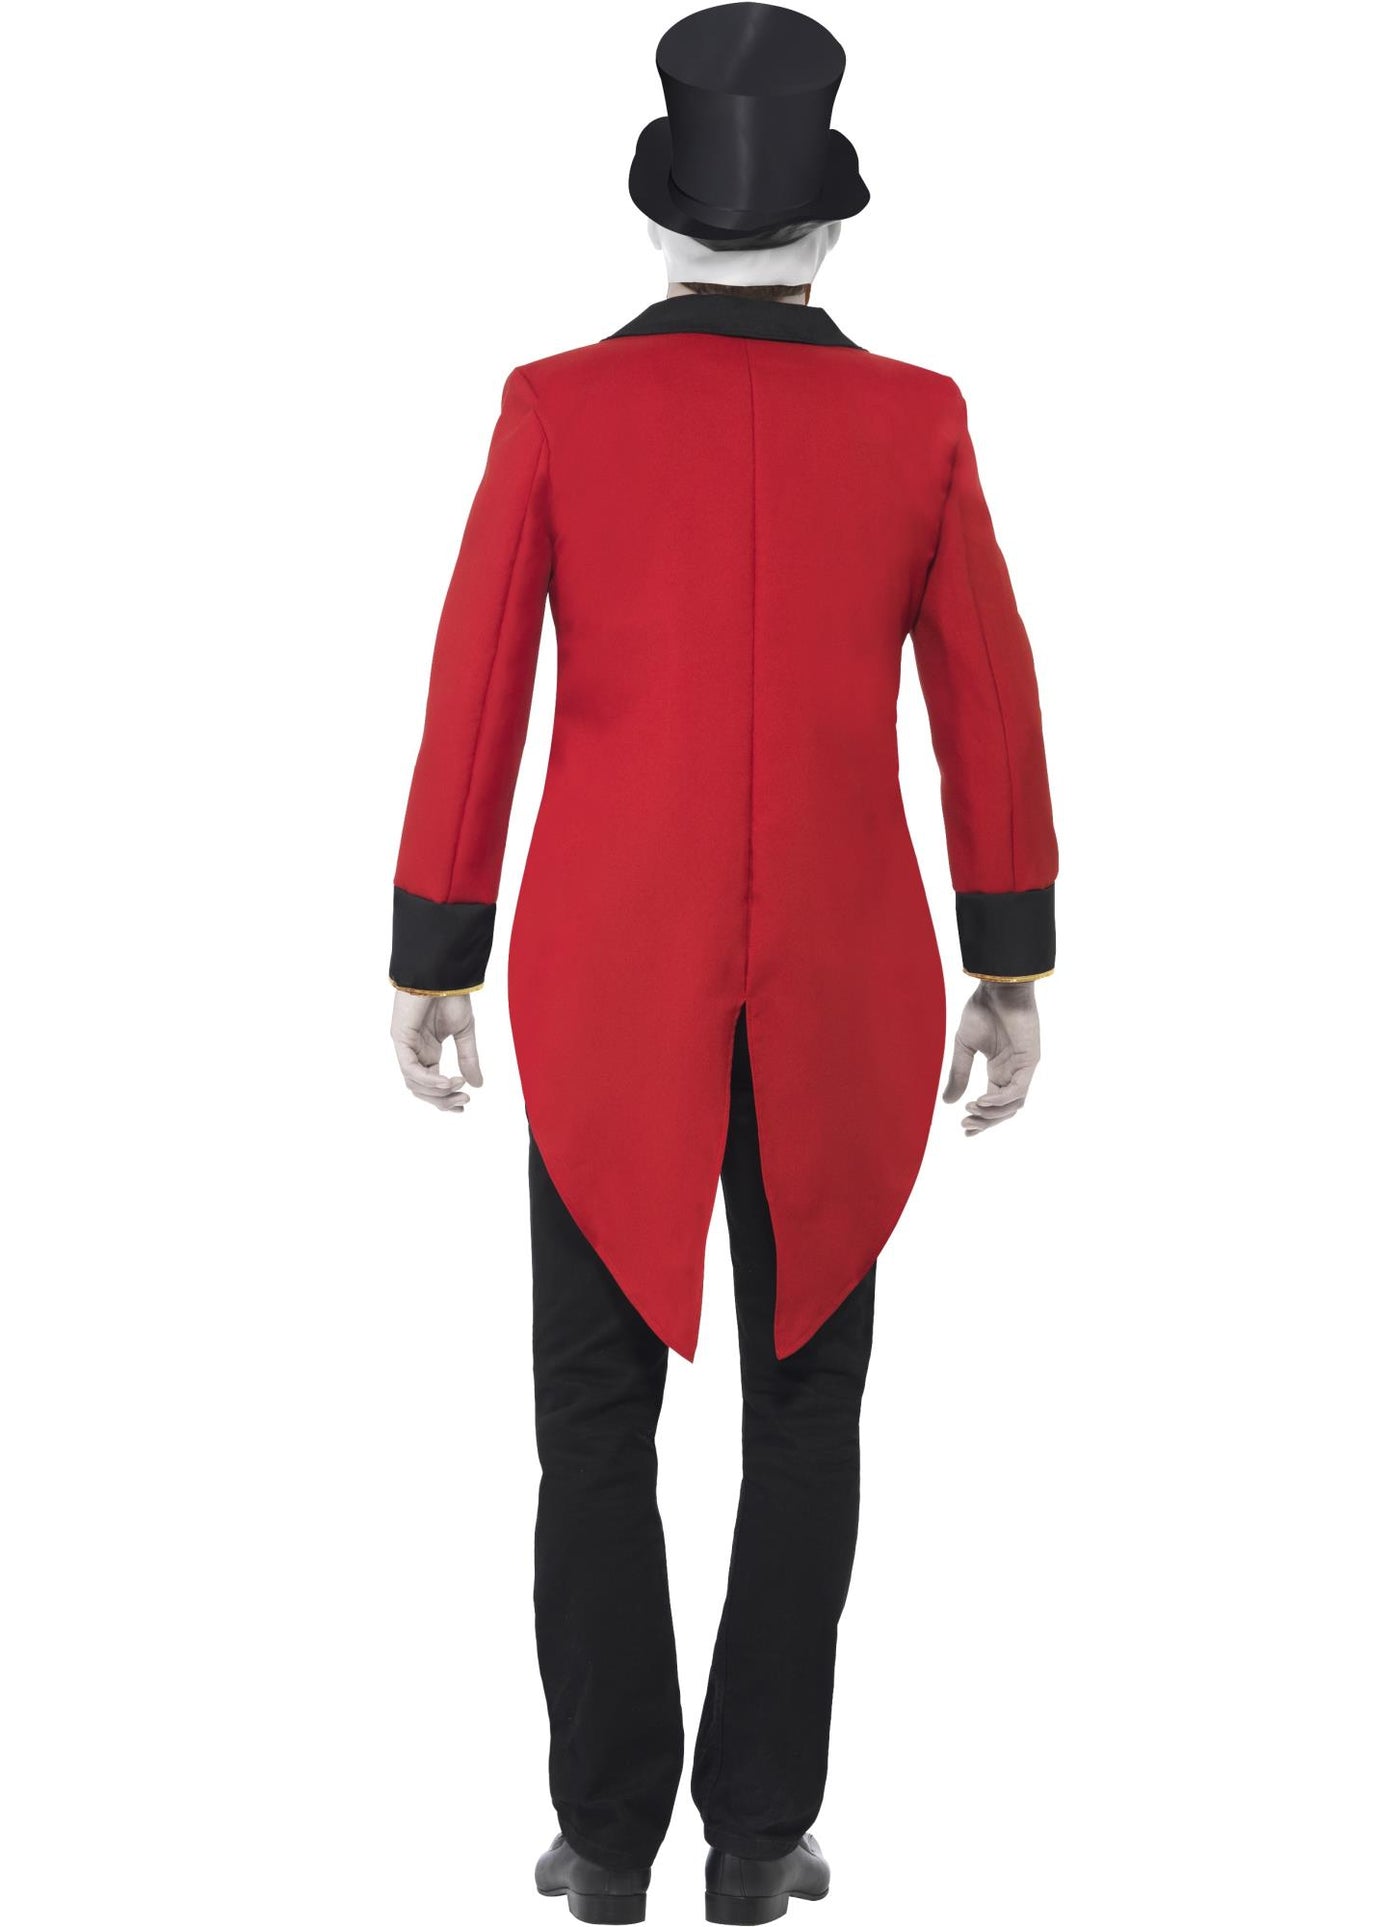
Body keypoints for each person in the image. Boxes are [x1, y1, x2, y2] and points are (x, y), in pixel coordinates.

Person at [387, 6, 1058, 1920]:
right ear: (827, 231)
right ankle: (757, 1834)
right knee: (807, 1404)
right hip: (849, 982)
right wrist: (1007, 957)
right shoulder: (916, 417)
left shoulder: (554, 407)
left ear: (657, 220)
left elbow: (476, 691)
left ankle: (606, 1840)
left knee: (592, 1413)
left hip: (608, 974)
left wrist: (436, 949)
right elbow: (987, 704)